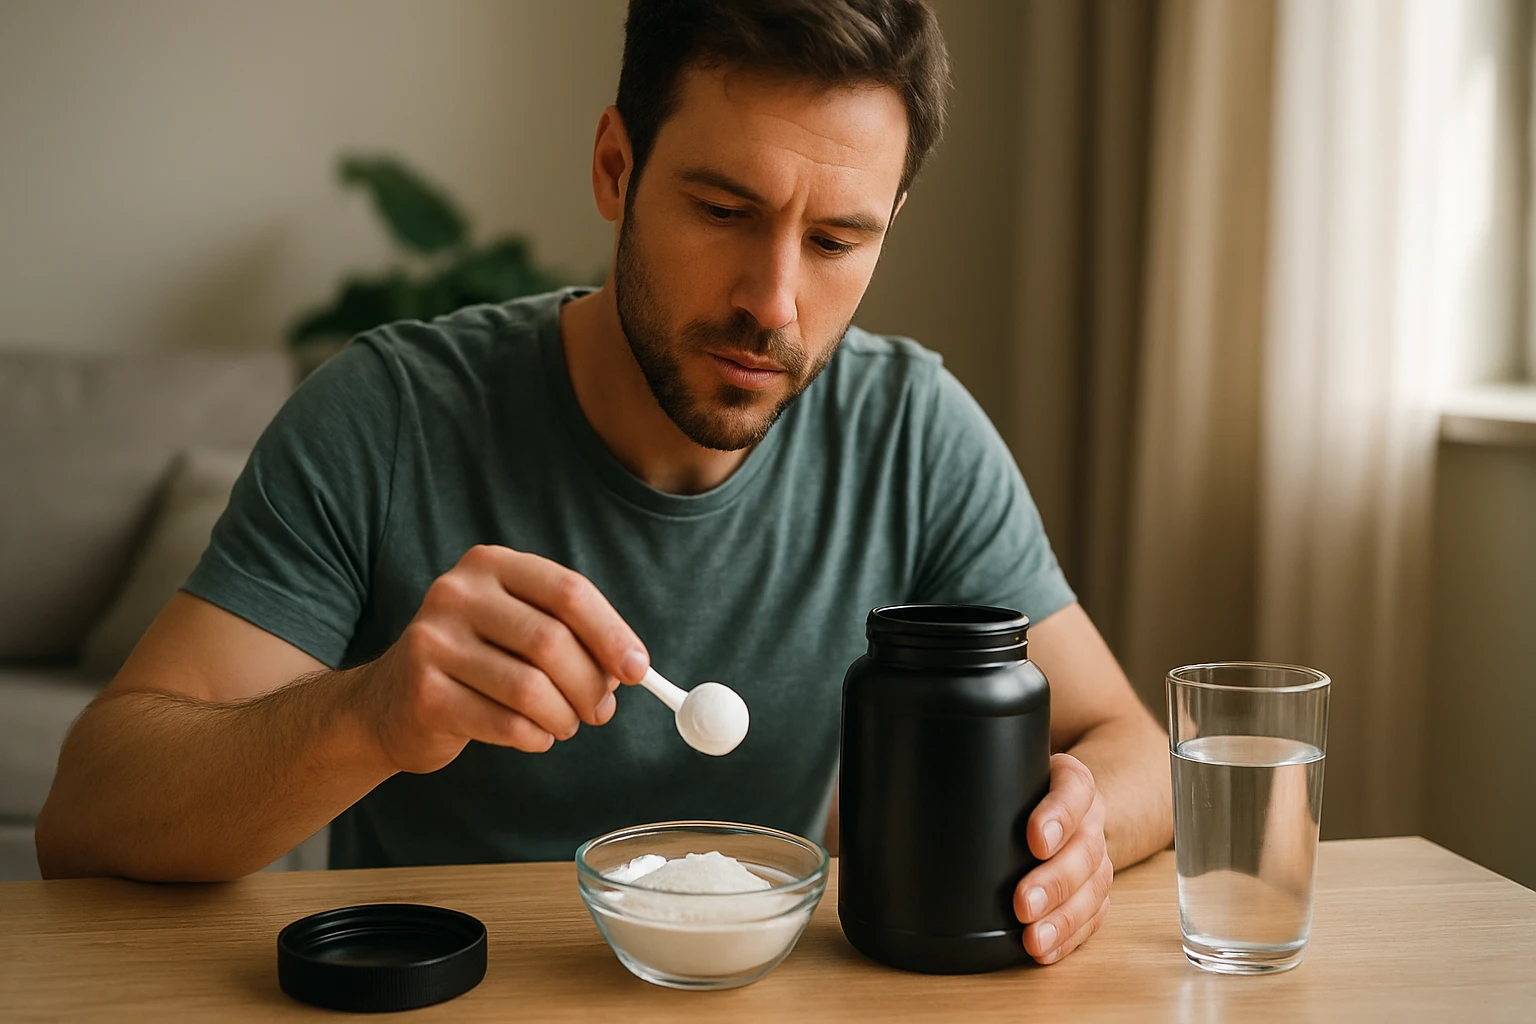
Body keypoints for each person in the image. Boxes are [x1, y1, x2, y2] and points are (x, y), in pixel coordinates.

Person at [37, 0, 1172, 966]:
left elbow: (1127, 744)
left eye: (836, 241)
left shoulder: (911, 432)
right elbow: (87, 817)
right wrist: (371, 713)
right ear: (615, 168)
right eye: (724, 211)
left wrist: (1077, 835)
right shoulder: (388, 418)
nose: (774, 302)